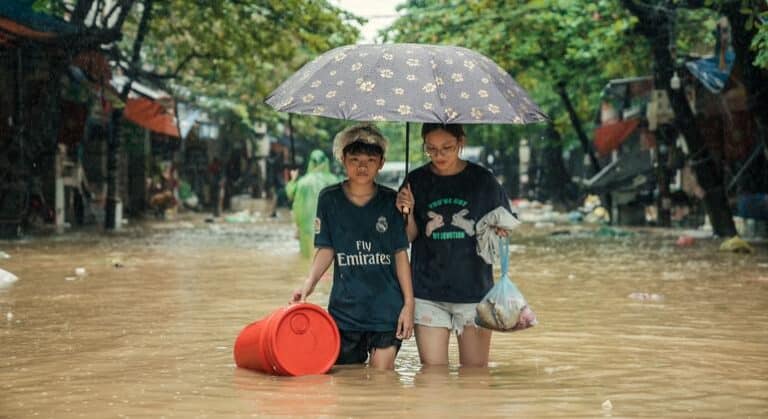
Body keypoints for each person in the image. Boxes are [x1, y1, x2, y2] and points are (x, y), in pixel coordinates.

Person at [291, 124, 414, 370]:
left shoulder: (393, 201)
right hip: (345, 312)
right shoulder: (329, 199)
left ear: (381, 163)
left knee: (381, 378)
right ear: (342, 160)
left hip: (386, 310)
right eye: (354, 159)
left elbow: (401, 253)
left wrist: (409, 304)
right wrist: (308, 284)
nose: (362, 166)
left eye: (370, 160)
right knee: (347, 383)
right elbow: (326, 249)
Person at [395, 123, 514, 368]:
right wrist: (406, 211)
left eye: (447, 148)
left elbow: (504, 226)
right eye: (431, 149)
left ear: (461, 142)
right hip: (428, 293)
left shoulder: (484, 180)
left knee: (474, 378)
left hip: (474, 292)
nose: (439, 156)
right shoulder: (414, 181)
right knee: (432, 378)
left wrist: (500, 230)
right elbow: (407, 238)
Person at [285, 149, 339, 257]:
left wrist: (293, 179)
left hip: (306, 228)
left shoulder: (303, 182)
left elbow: (290, 194)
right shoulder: (334, 181)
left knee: (308, 259)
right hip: (330, 228)